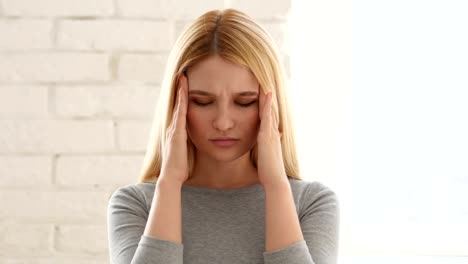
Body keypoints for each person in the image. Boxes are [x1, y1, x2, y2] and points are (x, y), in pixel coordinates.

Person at [107, 8, 339, 264]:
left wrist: (275, 185)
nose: (223, 122)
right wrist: (170, 181)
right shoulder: (136, 205)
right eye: (202, 101)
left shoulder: (311, 204)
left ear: (270, 105)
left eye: (245, 102)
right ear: (176, 104)